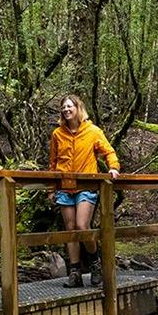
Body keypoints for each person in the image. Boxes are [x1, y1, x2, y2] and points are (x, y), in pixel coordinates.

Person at [48, 93, 119, 287]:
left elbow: (108, 151)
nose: (66, 110)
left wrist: (113, 167)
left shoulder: (93, 131)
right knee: (70, 230)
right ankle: (75, 272)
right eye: (63, 107)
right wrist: (51, 189)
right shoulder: (57, 134)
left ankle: (95, 264)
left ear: (78, 108)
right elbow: (53, 163)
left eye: (70, 106)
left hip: (86, 187)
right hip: (64, 186)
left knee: (82, 226)